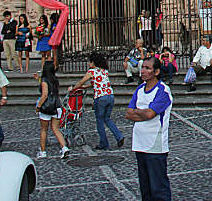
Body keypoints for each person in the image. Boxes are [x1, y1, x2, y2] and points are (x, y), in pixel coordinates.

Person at [126, 56, 173, 201]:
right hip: (139, 144)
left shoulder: (162, 91)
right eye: (143, 67)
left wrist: (140, 111)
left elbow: (150, 114)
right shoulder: (140, 89)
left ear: (156, 72)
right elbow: (128, 113)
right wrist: (144, 112)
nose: (143, 71)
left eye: (147, 68)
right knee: (145, 188)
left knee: (158, 188)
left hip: (155, 146)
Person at [69, 52, 125, 150]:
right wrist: (85, 87)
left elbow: (81, 81)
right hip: (110, 95)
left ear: (93, 62)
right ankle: (119, 136)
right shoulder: (104, 70)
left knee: (99, 121)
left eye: (89, 62)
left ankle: (104, 143)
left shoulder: (91, 71)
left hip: (100, 98)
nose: (88, 64)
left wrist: (73, 89)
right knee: (107, 118)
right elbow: (98, 82)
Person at [36, 63, 70, 159]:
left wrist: (38, 107)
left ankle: (43, 152)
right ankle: (64, 148)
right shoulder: (55, 80)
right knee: (56, 129)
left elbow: (45, 94)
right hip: (57, 106)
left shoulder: (44, 80)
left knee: (44, 129)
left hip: (47, 107)